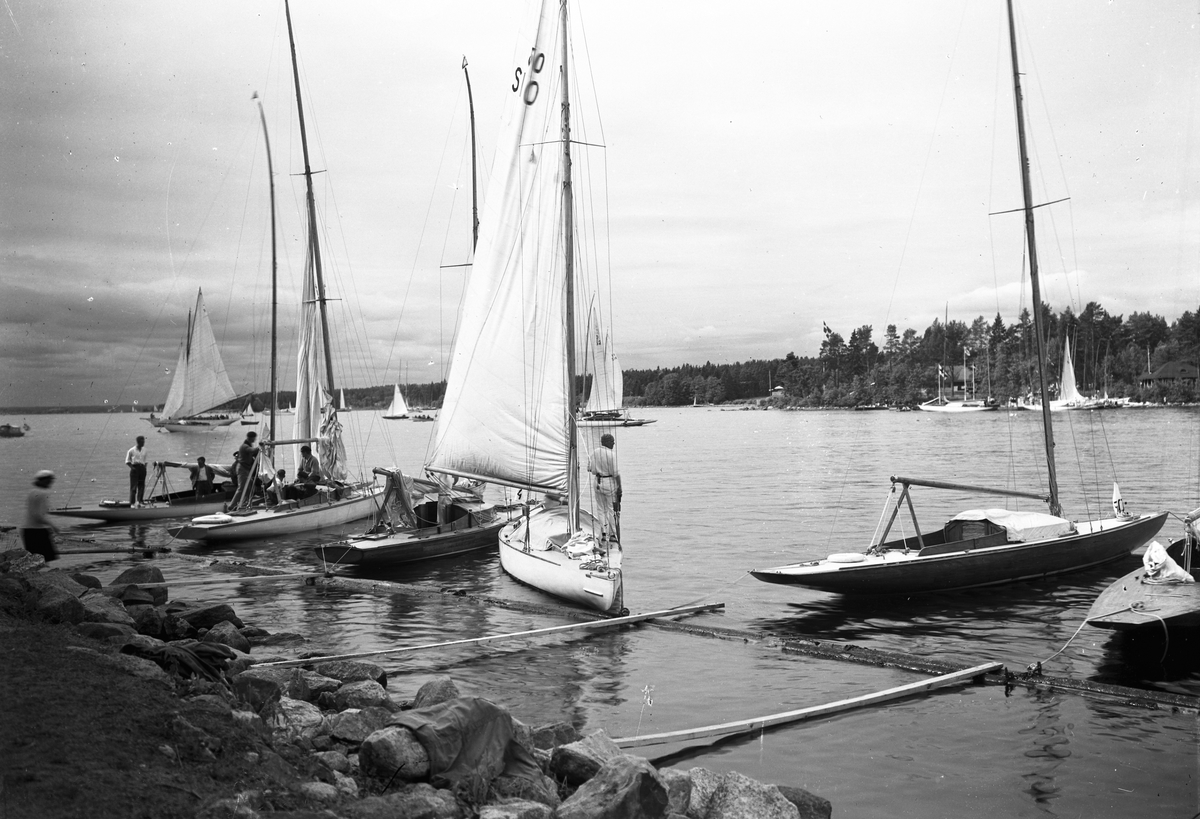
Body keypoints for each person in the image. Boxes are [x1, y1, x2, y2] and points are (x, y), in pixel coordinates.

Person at [586, 433, 622, 541]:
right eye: (612, 442)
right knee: (611, 508)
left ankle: (604, 532)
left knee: (601, 508)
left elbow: (589, 468)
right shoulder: (612, 454)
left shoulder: (595, 452)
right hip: (609, 481)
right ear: (608, 443)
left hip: (597, 482)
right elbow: (616, 473)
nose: (614, 444)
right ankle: (612, 535)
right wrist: (619, 488)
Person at [21, 470, 59, 562]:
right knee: (45, 559)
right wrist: (52, 525)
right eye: (49, 480)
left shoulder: (32, 492)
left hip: (27, 529)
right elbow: (38, 515)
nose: (51, 483)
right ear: (44, 481)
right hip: (38, 530)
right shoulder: (43, 493)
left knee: (34, 560)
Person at [230, 431, 259, 508]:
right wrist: (260, 446)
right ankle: (232, 505)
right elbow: (252, 450)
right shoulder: (244, 446)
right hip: (242, 469)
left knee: (250, 485)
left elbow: (254, 453)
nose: (255, 439)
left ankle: (245, 502)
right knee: (242, 488)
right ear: (251, 438)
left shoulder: (248, 445)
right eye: (254, 438)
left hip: (246, 469)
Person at [125, 435, 148, 506]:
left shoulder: (145, 450)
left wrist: (144, 468)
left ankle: (140, 501)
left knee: (141, 485)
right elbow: (127, 461)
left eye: (144, 442)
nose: (143, 443)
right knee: (134, 486)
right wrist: (132, 468)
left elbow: (145, 460)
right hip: (135, 467)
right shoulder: (131, 450)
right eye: (142, 442)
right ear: (138, 442)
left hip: (142, 468)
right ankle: (132, 502)